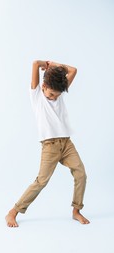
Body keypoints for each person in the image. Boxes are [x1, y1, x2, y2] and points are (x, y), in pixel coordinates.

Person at [6, 60, 90, 227]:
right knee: (41, 181)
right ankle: (13, 211)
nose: (54, 97)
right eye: (52, 94)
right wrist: (45, 64)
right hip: (50, 146)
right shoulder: (36, 96)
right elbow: (35, 63)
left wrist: (54, 66)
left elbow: (73, 70)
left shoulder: (58, 91)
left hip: (66, 143)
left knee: (81, 174)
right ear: (43, 86)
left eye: (57, 95)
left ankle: (76, 210)